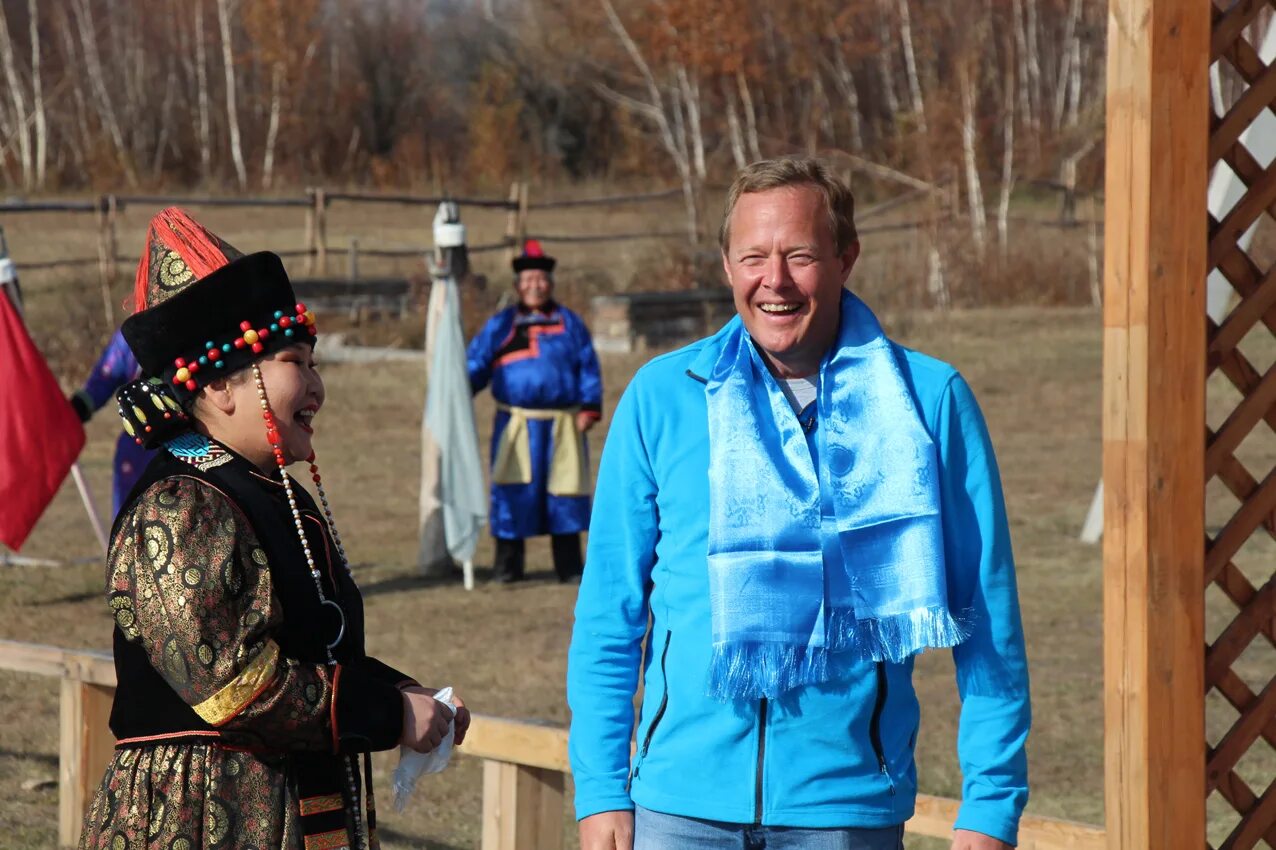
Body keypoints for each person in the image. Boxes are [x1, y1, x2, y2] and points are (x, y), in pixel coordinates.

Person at [567, 158, 1030, 850]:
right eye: (753, 256)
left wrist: (989, 806)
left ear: (846, 258)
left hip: (845, 809)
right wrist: (602, 786)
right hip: (676, 809)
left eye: (800, 256)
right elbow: (611, 610)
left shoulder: (928, 402)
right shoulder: (661, 397)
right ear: (727, 265)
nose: (774, 281)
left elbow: (987, 616)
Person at [79, 208, 470, 850]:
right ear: (225, 386)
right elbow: (235, 683)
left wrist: (403, 691)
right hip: (201, 815)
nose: (317, 386)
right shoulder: (183, 504)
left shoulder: (276, 494)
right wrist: (388, 713)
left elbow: (312, 647)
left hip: (290, 801)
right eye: (296, 362)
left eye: (315, 364)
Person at [466, 240, 603, 583]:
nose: (535, 286)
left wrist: (589, 406)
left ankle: (569, 568)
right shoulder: (500, 326)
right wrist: (458, 392)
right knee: (512, 494)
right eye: (528, 280)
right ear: (517, 285)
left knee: (564, 495)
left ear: (550, 282)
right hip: (516, 424)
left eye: (540, 279)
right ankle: (508, 569)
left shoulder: (570, 323)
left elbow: (588, 366)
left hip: (563, 424)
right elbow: (476, 364)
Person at [69, 328, 155, 518]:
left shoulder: (196, 323)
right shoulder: (133, 333)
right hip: (138, 449)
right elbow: (105, 377)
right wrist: (77, 409)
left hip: (191, 446)